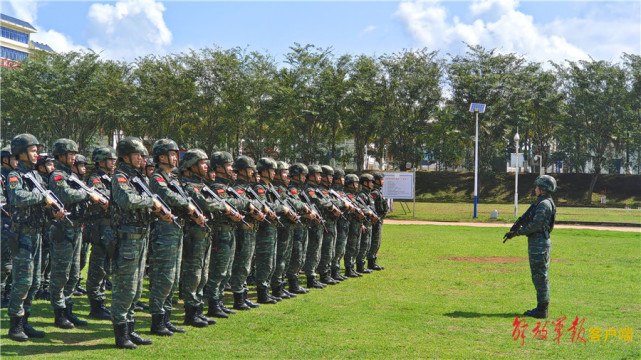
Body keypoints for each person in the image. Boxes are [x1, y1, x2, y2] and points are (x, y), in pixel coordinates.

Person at [110, 136, 167, 349]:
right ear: (125, 156)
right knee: (124, 288)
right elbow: (128, 200)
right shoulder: (120, 178)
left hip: (140, 237)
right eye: (138, 155)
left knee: (136, 289)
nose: (142, 159)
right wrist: (151, 202)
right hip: (126, 240)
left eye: (143, 155)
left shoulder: (136, 177)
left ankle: (130, 330)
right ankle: (121, 334)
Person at [5, 133, 63, 342]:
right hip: (22, 236)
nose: (36, 153)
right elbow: (17, 197)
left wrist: (52, 211)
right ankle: (15, 325)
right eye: (32, 150)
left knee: (35, 282)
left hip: (37, 234)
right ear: (21, 153)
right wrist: (43, 198)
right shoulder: (15, 176)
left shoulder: (36, 176)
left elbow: (42, 203)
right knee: (22, 281)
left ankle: (25, 322)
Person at [148, 139, 205, 336]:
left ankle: (167, 318)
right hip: (163, 231)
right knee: (163, 277)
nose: (175, 157)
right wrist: (188, 205)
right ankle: (157, 321)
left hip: (175, 230)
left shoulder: (172, 178)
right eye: (172, 154)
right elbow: (168, 196)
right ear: (161, 157)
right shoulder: (158, 178)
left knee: (172, 278)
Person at [180, 149, 239, 327]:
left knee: (203, 275)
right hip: (194, 235)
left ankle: (200, 310)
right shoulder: (188, 186)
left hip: (204, 234)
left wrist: (222, 205)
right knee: (194, 275)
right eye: (202, 163)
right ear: (192, 166)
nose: (206, 167)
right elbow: (205, 203)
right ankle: (192, 313)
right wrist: (225, 207)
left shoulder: (202, 185)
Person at [48, 139, 104, 329]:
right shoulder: (57, 175)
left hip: (76, 227)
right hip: (63, 229)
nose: (73, 158)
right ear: (60, 155)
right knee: (61, 274)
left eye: (74, 154)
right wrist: (89, 195)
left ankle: (68, 310)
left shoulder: (71, 175)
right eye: (70, 154)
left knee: (73, 274)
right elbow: (66, 195)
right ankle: (59, 313)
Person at [504, 175, 557, 319]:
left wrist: (518, 233)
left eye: (537, 187)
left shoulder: (544, 204)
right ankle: (541, 308)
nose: (535, 189)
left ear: (543, 189)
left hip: (539, 244)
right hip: (537, 243)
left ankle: (542, 310)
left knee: (540, 277)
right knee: (538, 276)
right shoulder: (541, 203)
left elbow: (535, 225)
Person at [253, 157, 297, 304]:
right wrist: (282, 209)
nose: (274, 173)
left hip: (273, 228)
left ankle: (274, 289)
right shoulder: (259, 188)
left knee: (273, 261)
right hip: (264, 229)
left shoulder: (271, 188)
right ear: (264, 171)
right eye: (272, 170)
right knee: (265, 262)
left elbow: (285, 202)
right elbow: (263, 205)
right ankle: (263, 292)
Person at [228, 156, 267, 311]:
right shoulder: (238, 188)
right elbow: (246, 204)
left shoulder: (249, 188)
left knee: (247, 264)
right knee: (241, 264)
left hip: (251, 229)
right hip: (243, 231)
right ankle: (238, 297)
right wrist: (254, 207)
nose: (253, 171)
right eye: (250, 169)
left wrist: (255, 206)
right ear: (243, 170)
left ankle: (243, 295)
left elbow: (261, 204)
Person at [84, 146, 117, 320]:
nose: (113, 163)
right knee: (98, 268)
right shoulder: (96, 179)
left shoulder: (110, 178)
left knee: (106, 268)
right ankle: (96, 306)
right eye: (110, 159)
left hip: (110, 227)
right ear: (101, 161)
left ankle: (101, 303)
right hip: (100, 227)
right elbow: (104, 199)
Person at [302, 165, 340, 289]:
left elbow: (331, 201)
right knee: (314, 251)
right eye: (318, 175)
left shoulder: (318, 189)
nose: (320, 177)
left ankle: (323, 274)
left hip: (321, 223)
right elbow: (317, 201)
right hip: (314, 225)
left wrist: (332, 205)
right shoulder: (309, 189)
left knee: (323, 250)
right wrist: (331, 207)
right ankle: (312, 277)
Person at [34, 153, 55, 301]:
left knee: (49, 257)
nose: (52, 167)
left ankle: (45, 286)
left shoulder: (50, 180)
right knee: (42, 258)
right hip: (41, 225)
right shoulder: (37, 181)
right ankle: (39, 287)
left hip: (50, 224)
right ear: (41, 167)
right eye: (49, 164)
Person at [1, 146, 17, 308]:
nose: (18, 162)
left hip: (15, 223)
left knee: (14, 260)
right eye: (15, 159)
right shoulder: (1, 177)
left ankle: (10, 292)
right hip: (4, 221)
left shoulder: (17, 176)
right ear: (5, 160)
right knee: (5, 262)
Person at [343, 174, 367, 277]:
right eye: (355, 183)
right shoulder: (347, 195)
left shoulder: (354, 195)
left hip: (356, 223)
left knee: (356, 247)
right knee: (351, 247)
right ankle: (349, 268)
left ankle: (352, 267)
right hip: (351, 223)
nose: (357, 185)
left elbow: (359, 206)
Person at [74, 154, 90, 296]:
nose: (84, 168)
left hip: (82, 223)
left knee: (83, 256)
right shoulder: (72, 181)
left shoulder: (81, 181)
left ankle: (77, 281)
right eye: (81, 165)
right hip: (71, 225)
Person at [355, 174, 378, 274]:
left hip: (369, 223)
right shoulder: (362, 195)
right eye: (371, 182)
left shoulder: (368, 194)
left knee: (367, 245)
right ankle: (360, 265)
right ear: (365, 183)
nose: (372, 184)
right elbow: (360, 208)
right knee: (363, 245)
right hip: (364, 223)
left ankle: (363, 265)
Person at [330, 168, 350, 281]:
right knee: (336, 248)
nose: (343, 180)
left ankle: (336, 269)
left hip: (344, 223)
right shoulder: (333, 191)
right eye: (342, 177)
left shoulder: (341, 192)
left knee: (341, 248)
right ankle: (333, 270)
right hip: (337, 223)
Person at [369, 172, 389, 270]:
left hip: (379, 219)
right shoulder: (374, 193)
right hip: (375, 221)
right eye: (381, 179)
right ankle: (371, 262)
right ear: (376, 181)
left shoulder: (378, 191)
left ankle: (373, 260)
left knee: (377, 242)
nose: (383, 181)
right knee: (374, 241)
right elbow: (371, 206)